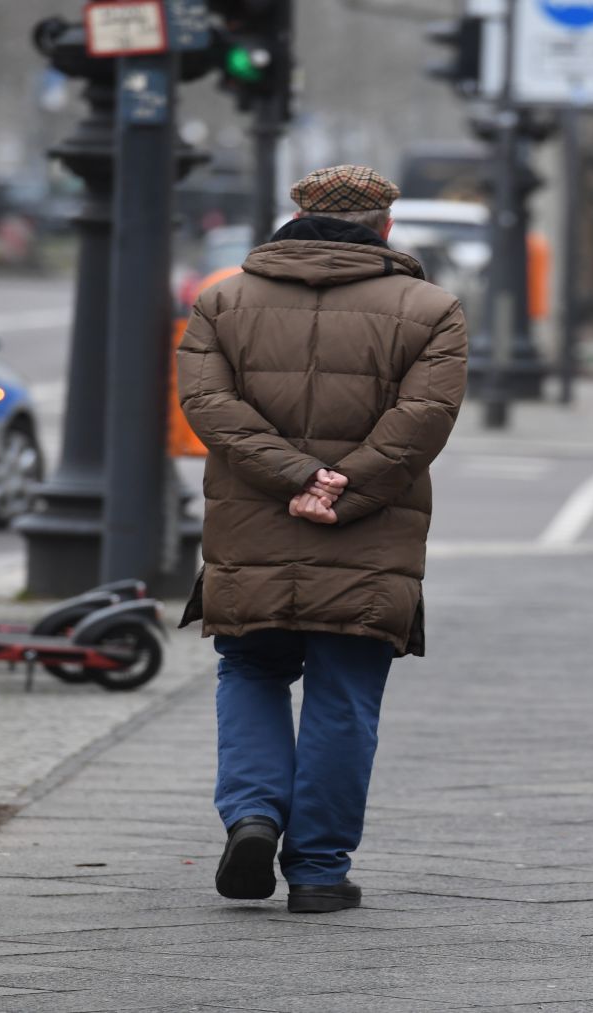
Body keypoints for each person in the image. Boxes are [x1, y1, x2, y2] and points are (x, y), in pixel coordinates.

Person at [176, 164, 468, 914]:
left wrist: (293, 475)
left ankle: (252, 815)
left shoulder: (221, 300)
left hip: (251, 525)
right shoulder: (431, 309)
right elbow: (423, 419)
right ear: (387, 226)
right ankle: (317, 870)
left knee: (250, 669)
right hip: (369, 534)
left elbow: (208, 405)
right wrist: (343, 488)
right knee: (343, 691)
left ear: (295, 215)